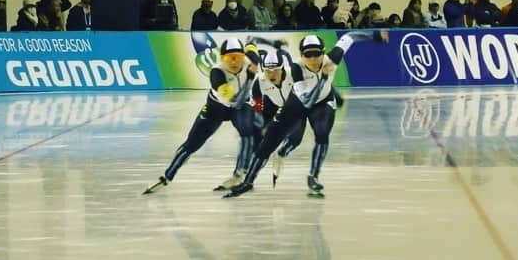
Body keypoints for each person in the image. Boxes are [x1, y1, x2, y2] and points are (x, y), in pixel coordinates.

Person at [224, 30, 389, 198]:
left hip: (323, 102)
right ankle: (248, 182)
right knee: (269, 142)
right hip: (301, 101)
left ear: (323, 53)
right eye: (308, 55)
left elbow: (350, 36)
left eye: (317, 54)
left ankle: (313, 177)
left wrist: (374, 36)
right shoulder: (296, 68)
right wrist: (324, 78)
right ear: (301, 56)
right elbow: (308, 102)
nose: (313, 59)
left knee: (322, 133)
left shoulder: (333, 57)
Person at [143, 38, 260, 194]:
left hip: (240, 107)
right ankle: (166, 177)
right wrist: (250, 78)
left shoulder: (250, 60)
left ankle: (239, 175)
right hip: (217, 109)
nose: (234, 62)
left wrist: (252, 47)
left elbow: (251, 46)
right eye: (229, 58)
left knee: (248, 134)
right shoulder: (217, 73)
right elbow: (235, 101)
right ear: (221, 58)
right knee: (191, 144)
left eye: (237, 57)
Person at [251, 49, 306, 186]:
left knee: (296, 140)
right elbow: (257, 106)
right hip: (272, 104)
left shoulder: (294, 74)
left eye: (275, 70)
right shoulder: (259, 82)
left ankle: (281, 153)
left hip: (294, 107)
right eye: (267, 71)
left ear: (282, 68)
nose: (271, 74)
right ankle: (248, 172)